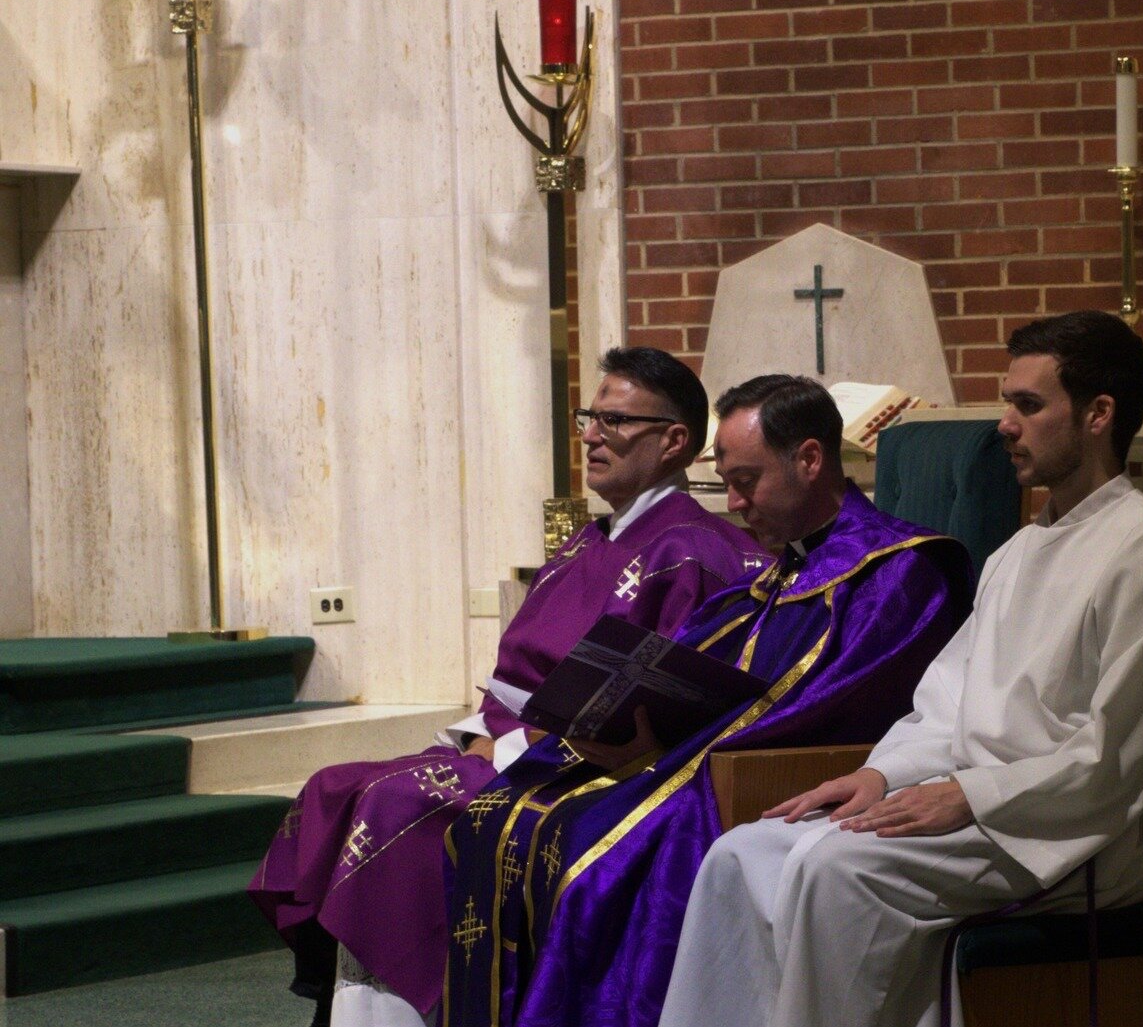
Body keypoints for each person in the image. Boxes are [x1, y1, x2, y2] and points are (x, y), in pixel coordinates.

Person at [658, 311, 1143, 1027]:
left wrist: (972, 794)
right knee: (741, 857)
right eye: (1006, 403)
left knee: (837, 874)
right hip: (974, 806)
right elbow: (948, 704)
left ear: (1097, 414)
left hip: (1071, 831)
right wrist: (881, 775)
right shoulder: (1019, 550)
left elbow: (1112, 759)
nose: (1005, 426)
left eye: (1027, 404)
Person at [249, 348, 764, 1027]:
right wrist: (481, 730)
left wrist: (515, 745)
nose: (589, 436)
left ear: (674, 440)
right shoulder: (587, 541)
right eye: (589, 417)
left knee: (390, 805)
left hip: (585, 765)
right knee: (332, 785)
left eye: (614, 420)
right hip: (508, 741)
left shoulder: (694, 549)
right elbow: (517, 671)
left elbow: (646, 693)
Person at [444, 374, 977, 1027]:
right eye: (726, 479)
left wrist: (666, 746)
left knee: (588, 864)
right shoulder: (784, 572)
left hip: (768, 781)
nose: (733, 501)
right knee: (500, 816)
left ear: (809, 460)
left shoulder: (899, 572)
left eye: (747, 480)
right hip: (701, 762)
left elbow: (829, 705)